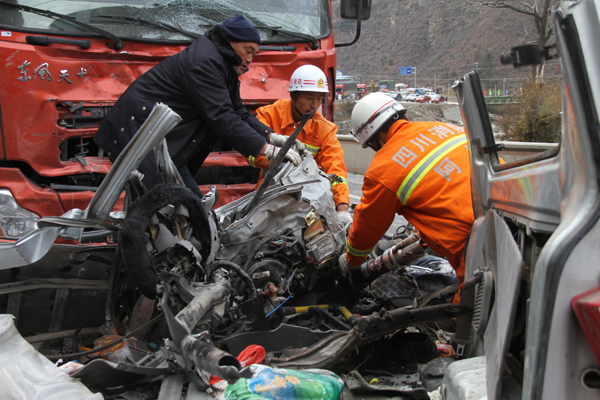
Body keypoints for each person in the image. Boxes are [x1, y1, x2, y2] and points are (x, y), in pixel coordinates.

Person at [94, 14, 301, 198]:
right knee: (184, 206)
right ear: (229, 42)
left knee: (172, 204)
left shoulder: (223, 66)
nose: (249, 60)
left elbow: (237, 111)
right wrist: (265, 149)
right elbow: (221, 117)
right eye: (248, 51)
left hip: (162, 143)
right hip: (141, 134)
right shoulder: (206, 63)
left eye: (253, 55)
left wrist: (272, 137)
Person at [343, 92, 474, 282]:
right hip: (512, 215)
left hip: (472, 246)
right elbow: (444, 190)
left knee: (468, 306)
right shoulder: (446, 128)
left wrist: (351, 259)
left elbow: (367, 227)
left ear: (372, 138)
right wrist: (421, 234)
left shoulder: (383, 169)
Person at [247, 65, 352, 225]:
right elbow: (252, 156)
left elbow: (336, 170)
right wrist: (282, 162)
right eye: (309, 98)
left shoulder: (324, 129)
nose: (315, 104)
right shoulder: (268, 115)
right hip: (270, 193)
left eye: (319, 99)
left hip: (308, 200)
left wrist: (342, 207)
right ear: (294, 96)